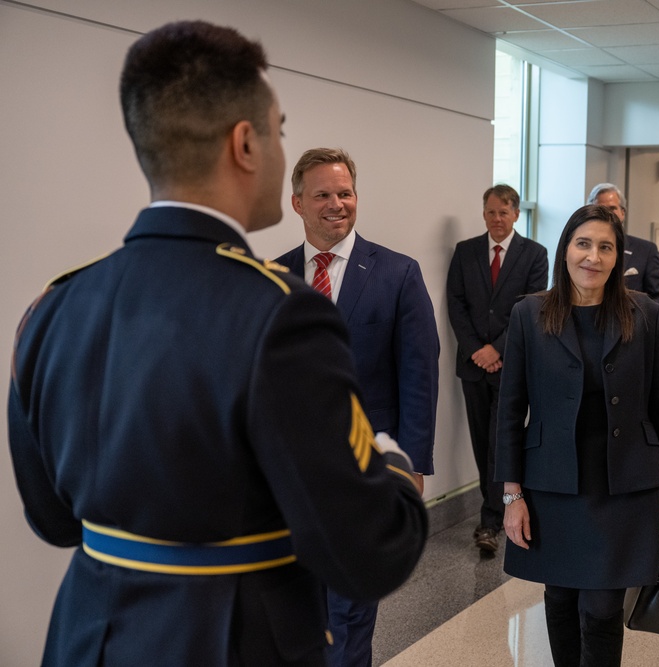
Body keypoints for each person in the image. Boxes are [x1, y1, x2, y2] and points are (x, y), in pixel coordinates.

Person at [6, 21, 427, 667]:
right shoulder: (283, 315)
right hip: (232, 639)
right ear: (245, 144)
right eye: (280, 132)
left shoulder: (54, 304)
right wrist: (392, 461)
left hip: (85, 637)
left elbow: (53, 519)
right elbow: (368, 552)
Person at [276, 147, 439, 667]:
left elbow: (420, 374)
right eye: (322, 194)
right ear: (297, 202)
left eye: (344, 193)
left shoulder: (398, 274)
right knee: (295, 609)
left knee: (349, 613)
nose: (336, 204)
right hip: (289, 478)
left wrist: (412, 465)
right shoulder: (272, 279)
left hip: (365, 472)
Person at [496, 204, 659, 666]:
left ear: (618, 258)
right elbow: (511, 407)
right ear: (565, 250)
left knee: (600, 607)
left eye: (605, 247)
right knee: (559, 599)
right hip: (552, 484)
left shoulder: (647, 315)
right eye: (583, 243)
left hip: (625, 485)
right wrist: (511, 494)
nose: (592, 256)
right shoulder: (529, 314)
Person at [446, 184, 549, 556]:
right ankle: (492, 513)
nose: (496, 219)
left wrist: (498, 349)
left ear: (516, 214)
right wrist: (477, 350)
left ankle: (491, 519)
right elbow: (455, 305)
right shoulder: (466, 251)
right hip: (474, 366)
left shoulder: (535, 254)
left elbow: (533, 306)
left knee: (501, 441)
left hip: (511, 364)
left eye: (503, 213)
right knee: (479, 442)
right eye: (490, 212)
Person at [587, 183, 659, 309]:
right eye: (600, 209)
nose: (607, 214)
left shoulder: (646, 251)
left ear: (622, 213)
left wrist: (636, 320)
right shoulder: (581, 252)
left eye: (612, 208)